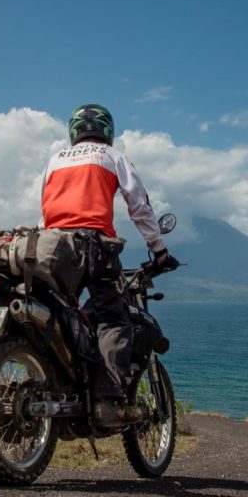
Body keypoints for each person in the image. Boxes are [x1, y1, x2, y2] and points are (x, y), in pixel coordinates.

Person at [39, 103, 179, 428]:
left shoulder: (55, 160)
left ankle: (58, 382)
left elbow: (45, 210)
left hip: (52, 248)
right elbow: (139, 206)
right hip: (94, 247)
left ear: (73, 131)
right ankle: (107, 401)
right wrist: (159, 250)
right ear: (107, 130)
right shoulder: (112, 156)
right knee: (114, 318)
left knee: (61, 316)